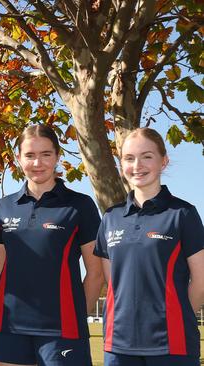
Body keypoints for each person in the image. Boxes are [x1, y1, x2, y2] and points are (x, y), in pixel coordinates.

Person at [0, 124, 103, 366]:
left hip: (62, 329)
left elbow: (96, 272)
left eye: (46, 154)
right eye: (29, 155)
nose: (37, 163)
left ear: (57, 156)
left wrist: (78, 317)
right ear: (18, 158)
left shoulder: (80, 205)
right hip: (9, 326)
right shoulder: (3, 207)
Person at [94, 127, 204, 366]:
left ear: (163, 161)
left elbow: (200, 280)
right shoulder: (110, 218)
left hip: (172, 344)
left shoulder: (183, 214)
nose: (137, 165)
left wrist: (177, 317)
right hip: (119, 344)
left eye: (147, 156)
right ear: (121, 164)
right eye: (129, 158)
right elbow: (112, 281)